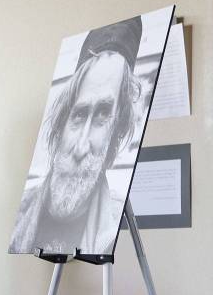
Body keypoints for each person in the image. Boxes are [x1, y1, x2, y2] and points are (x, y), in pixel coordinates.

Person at [9, 15, 144, 256]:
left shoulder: (112, 223)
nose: (81, 147)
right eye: (79, 115)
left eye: (103, 116)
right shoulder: (21, 217)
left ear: (116, 133)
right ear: (61, 123)